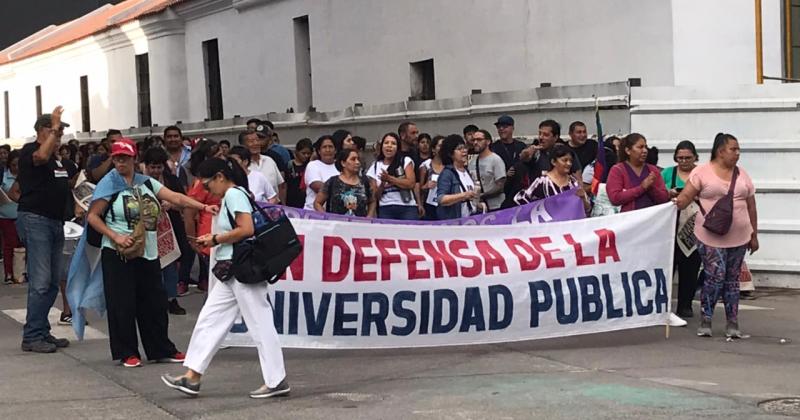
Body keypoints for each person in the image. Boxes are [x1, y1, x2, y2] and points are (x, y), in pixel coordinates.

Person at [161, 157, 289, 399]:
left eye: (208, 185)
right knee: (211, 320)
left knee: (258, 324)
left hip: (240, 268)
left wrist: (215, 239)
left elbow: (247, 229)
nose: (207, 190)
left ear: (220, 177)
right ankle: (192, 375)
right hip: (233, 271)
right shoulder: (236, 194)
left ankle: (276, 379)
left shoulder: (232, 195)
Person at [87, 138, 214, 367]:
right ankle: (127, 352)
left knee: (155, 302)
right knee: (122, 303)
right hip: (118, 251)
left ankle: (160, 348)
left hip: (148, 250)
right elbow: (93, 217)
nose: (120, 162)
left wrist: (203, 207)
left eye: (125, 158)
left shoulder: (145, 182)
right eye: (117, 158)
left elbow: (175, 197)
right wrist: (115, 236)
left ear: (135, 159)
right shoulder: (109, 183)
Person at [675, 133, 758, 339]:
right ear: (720, 151)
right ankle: (706, 320)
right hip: (709, 236)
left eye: (738, 149)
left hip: (739, 237)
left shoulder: (742, 174)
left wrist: (754, 234)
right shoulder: (701, 173)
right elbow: (685, 197)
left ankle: (732, 322)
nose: (737, 153)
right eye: (733, 149)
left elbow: (751, 205)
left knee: (732, 279)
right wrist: (672, 203)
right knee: (715, 275)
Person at [16, 107, 72, 353]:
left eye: (60, 132)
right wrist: (53, 133)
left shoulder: (57, 158)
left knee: (51, 281)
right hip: (35, 219)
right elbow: (39, 157)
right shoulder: (30, 151)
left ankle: (41, 329)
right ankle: (32, 335)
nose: (59, 136)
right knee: (40, 280)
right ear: (41, 131)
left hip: (54, 221)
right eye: (55, 131)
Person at [142, 147, 190, 316]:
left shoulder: (171, 181)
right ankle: (153, 299)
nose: (155, 171)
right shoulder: (140, 182)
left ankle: (171, 298)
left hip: (170, 228)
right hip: (147, 230)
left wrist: (171, 205)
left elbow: (182, 201)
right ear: (146, 166)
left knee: (170, 265)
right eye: (152, 167)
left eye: (159, 167)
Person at [662, 141, 701, 318]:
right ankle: (664, 303)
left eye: (687, 158)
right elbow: (658, 193)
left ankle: (685, 304)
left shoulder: (701, 173)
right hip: (672, 224)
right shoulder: (668, 173)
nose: (684, 161)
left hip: (695, 223)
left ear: (695, 157)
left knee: (691, 266)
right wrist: (668, 193)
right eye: (680, 158)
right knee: (669, 265)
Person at [181, 139, 224, 295]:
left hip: (224, 236)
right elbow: (189, 212)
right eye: (218, 155)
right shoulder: (201, 183)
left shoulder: (222, 178)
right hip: (209, 238)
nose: (222, 158)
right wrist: (192, 239)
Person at [513, 144, 589, 213]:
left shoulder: (573, 182)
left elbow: (587, 209)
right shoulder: (542, 181)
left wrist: (583, 198)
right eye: (564, 160)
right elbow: (520, 199)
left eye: (571, 161)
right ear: (553, 162)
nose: (569, 164)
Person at [606, 133, 670, 213]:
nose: (645, 151)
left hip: (653, 220)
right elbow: (615, 198)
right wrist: (641, 188)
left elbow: (664, 199)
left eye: (645, 147)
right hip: (630, 220)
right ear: (628, 151)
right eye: (640, 147)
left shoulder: (653, 170)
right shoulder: (618, 170)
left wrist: (651, 187)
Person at [367, 132, 419, 220]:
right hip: (386, 208)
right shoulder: (375, 166)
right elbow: (375, 196)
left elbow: (411, 183)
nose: (389, 146)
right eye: (386, 143)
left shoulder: (405, 161)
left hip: (407, 207)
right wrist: (383, 184)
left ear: (398, 147)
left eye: (393, 143)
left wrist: (390, 178)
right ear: (382, 147)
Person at [315, 149, 375, 217]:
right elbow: (317, 203)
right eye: (353, 159)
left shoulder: (365, 181)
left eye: (358, 159)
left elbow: (372, 201)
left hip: (360, 225)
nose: (357, 162)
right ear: (343, 163)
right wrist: (327, 217)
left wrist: (369, 217)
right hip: (336, 225)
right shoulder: (332, 182)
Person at [436, 135, 478, 220]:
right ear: (450, 154)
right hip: (455, 221)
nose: (464, 151)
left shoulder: (467, 172)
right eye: (459, 149)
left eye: (465, 148)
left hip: (471, 220)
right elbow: (441, 199)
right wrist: (464, 195)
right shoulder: (447, 173)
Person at [242, 129, 285, 204]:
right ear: (243, 145)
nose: (256, 143)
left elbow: (280, 185)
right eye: (251, 141)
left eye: (257, 140)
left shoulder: (269, 160)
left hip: (274, 209)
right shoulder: (243, 166)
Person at [468, 129, 506, 212]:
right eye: (473, 140)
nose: (475, 143)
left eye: (479, 140)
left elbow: (500, 186)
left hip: (496, 206)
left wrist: (481, 195)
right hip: (479, 207)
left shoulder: (496, 160)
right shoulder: (472, 161)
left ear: (488, 142)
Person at [303, 135, 340, 210]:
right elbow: (318, 187)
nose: (327, 150)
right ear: (319, 151)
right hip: (313, 214)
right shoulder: (313, 165)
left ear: (335, 150)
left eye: (330, 147)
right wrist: (344, 190)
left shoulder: (341, 166)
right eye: (324, 147)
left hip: (336, 214)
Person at [1, 150, 21, 284]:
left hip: (22, 215)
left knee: (22, 245)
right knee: (9, 245)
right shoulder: (3, 176)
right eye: (14, 165)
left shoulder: (26, 177)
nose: (16, 168)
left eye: (19, 165)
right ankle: (8, 273)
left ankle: (21, 272)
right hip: (5, 216)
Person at [419, 135, 445, 220]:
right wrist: (426, 186)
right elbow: (419, 188)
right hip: (429, 206)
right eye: (440, 146)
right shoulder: (426, 166)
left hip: (446, 205)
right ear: (433, 149)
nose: (442, 149)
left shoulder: (450, 166)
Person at [285, 138, 313, 208]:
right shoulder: (289, 166)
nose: (306, 156)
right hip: (291, 202)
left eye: (308, 153)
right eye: (303, 153)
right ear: (297, 152)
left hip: (307, 202)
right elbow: (284, 186)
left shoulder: (312, 166)